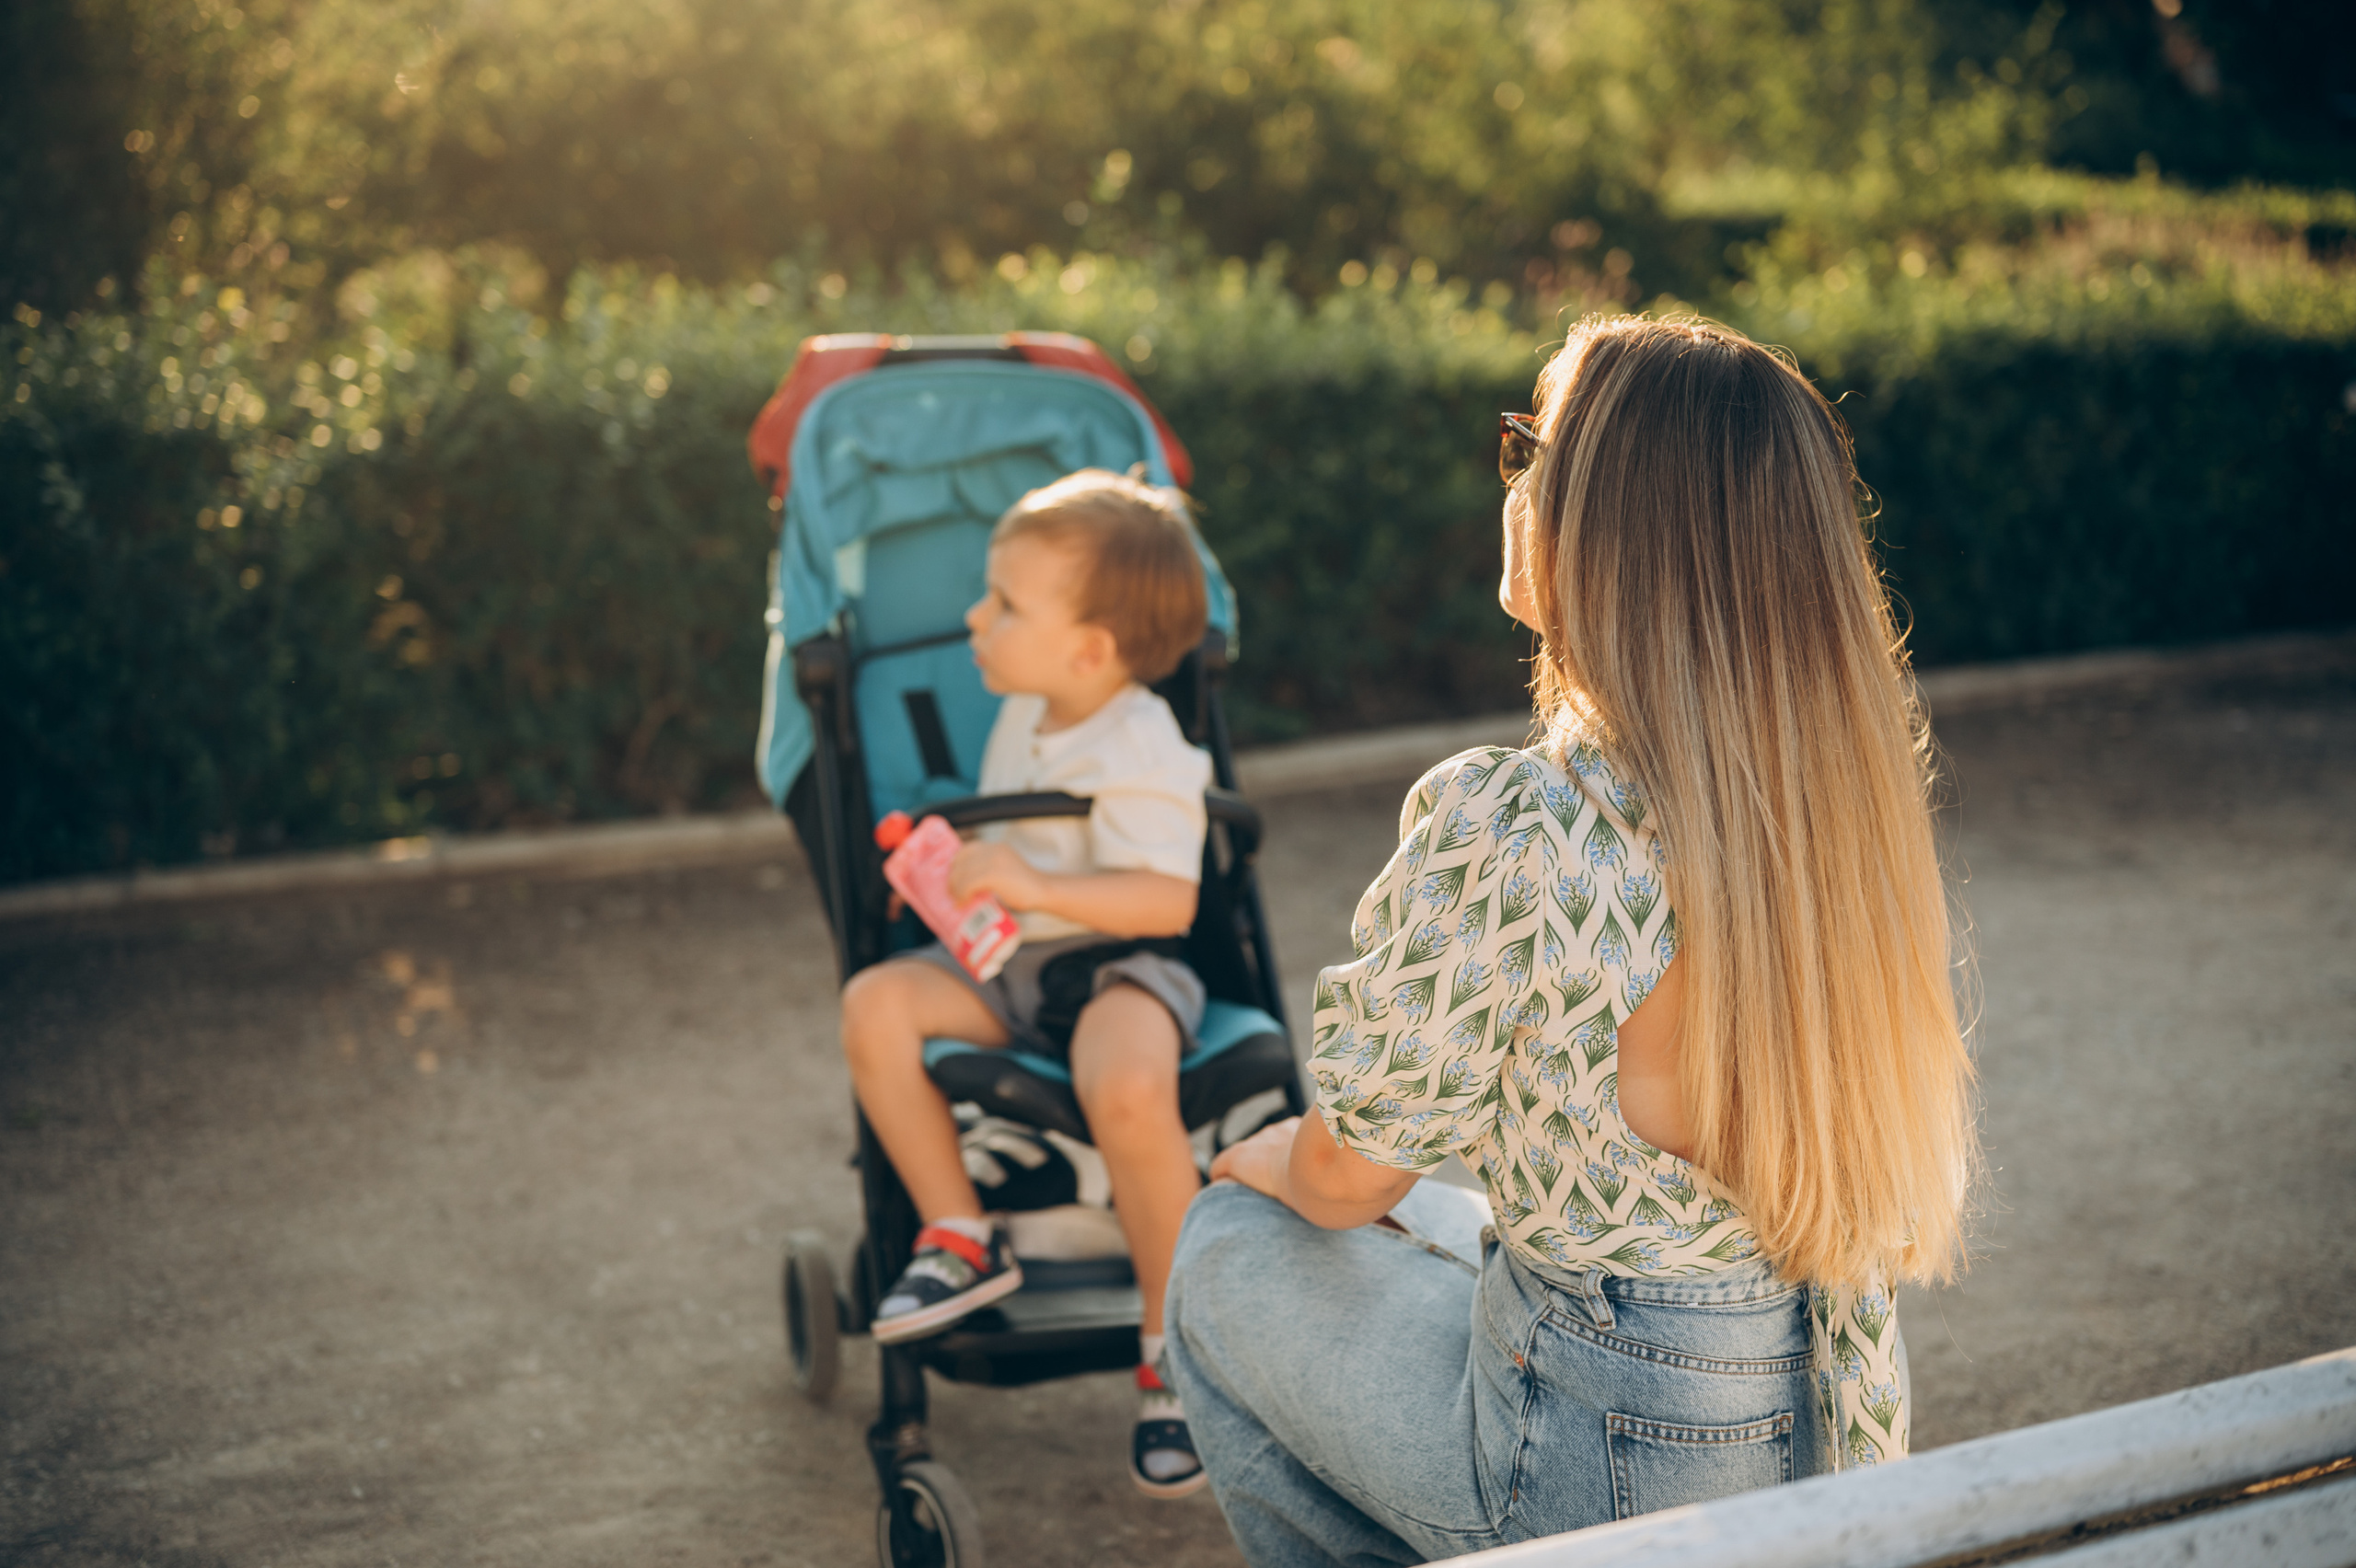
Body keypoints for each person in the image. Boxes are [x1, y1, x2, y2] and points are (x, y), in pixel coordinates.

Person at [1164, 316, 1979, 1563]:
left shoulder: (1517, 818)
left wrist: (1260, 1159)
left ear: (1608, 517)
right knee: (1436, 1230)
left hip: (1588, 1458)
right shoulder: (1830, 822)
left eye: (1530, 446)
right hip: (1785, 1415)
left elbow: (1343, 1178)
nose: (1515, 477)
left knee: (1224, 1248)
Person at [838, 467, 1218, 1498]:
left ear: (1089, 649)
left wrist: (1038, 878)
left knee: (1130, 1087)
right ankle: (960, 1232)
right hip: (1013, 963)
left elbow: (1166, 900)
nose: (974, 617)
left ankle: (1171, 1348)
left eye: (1003, 603)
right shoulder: (1029, 713)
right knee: (874, 1004)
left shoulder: (1142, 741)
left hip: (1118, 969)